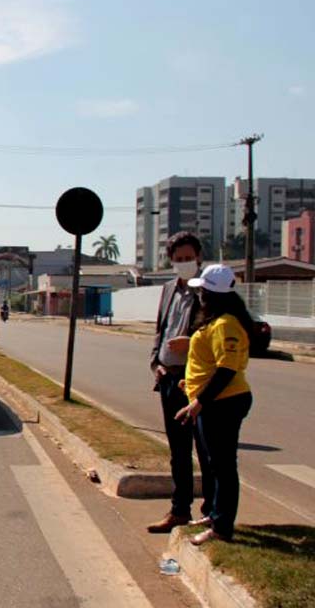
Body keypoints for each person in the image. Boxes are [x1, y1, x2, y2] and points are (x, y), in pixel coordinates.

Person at [175, 264, 254, 545]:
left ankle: (222, 527)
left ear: (212, 294)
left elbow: (227, 369)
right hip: (212, 401)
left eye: (202, 291)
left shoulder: (226, 325)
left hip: (224, 403)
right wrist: (192, 385)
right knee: (212, 464)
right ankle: (215, 514)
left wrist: (199, 401)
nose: (199, 295)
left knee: (223, 467)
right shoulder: (215, 321)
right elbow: (209, 363)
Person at [146, 231, 213, 534]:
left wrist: (192, 341)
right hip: (169, 379)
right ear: (171, 261)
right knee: (178, 451)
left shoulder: (209, 291)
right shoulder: (169, 288)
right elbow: (161, 328)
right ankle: (179, 510)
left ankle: (210, 511)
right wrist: (156, 364)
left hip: (196, 382)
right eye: (179, 259)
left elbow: (217, 332)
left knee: (205, 449)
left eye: (189, 258)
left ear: (199, 257)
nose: (184, 263)